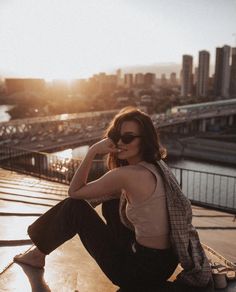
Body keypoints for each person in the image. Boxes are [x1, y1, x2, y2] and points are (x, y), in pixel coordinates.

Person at [14, 107, 212, 291]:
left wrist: (92, 151)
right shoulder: (158, 166)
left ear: (144, 140)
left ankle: (37, 255)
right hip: (165, 263)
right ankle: (40, 251)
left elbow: (74, 192)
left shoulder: (126, 174)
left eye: (128, 137)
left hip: (137, 274)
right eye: (116, 136)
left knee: (74, 207)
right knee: (111, 202)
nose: (119, 143)